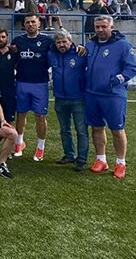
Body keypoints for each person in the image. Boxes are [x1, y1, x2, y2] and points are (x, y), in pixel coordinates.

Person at [85, 15, 136, 179]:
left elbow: (132, 68)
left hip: (113, 95)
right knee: (96, 127)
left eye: (103, 27)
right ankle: (101, 159)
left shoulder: (122, 45)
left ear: (111, 27)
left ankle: (120, 162)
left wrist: (117, 80)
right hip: (92, 94)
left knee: (117, 129)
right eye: (97, 27)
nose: (100, 30)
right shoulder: (91, 44)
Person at [11, 14, 54, 160]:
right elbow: (13, 59)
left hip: (40, 84)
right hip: (22, 82)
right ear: (24, 25)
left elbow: (62, 49)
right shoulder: (18, 41)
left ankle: (40, 147)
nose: (30, 24)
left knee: (40, 116)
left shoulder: (48, 41)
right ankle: (19, 143)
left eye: (33, 22)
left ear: (39, 24)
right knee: (21, 114)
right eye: (27, 22)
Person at [47, 30, 88, 172]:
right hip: (60, 98)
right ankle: (69, 154)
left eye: (64, 42)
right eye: (58, 42)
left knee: (81, 130)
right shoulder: (51, 54)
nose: (61, 45)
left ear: (70, 41)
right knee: (64, 129)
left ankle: (82, 159)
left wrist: (83, 46)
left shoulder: (80, 53)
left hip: (78, 99)